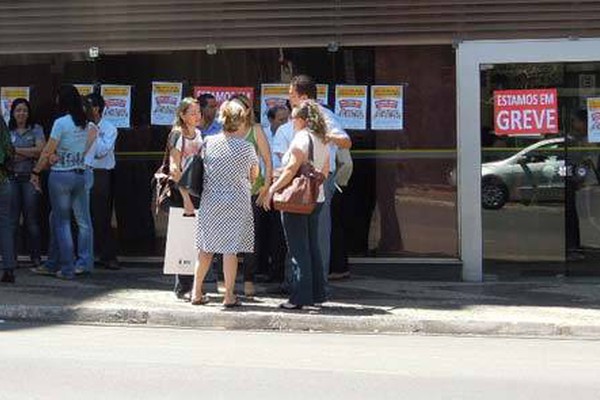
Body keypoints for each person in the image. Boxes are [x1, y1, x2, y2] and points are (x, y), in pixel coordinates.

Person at [274, 75, 352, 287]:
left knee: (317, 233)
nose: (289, 99)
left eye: (292, 95)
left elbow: (345, 141)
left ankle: (316, 283)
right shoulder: (291, 122)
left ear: (305, 97)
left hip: (318, 180)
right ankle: (294, 282)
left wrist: (327, 136)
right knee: (295, 233)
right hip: (296, 179)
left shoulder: (324, 116)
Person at [191, 99, 259, 307]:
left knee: (205, 248)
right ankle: (228, 295)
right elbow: (254, 175)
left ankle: (196, 292)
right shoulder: (247, 148)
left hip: (211, 200)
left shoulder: (208, 142)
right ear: (240, 122)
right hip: (237, 201)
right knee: (230, 250)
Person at [264, 100, 330, 309]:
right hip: (316, 198)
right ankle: (317, 294)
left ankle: (300, 297)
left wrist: (272, 190)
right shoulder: (322, 139)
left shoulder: (301, 138)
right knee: (312, 247)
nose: (291, 121)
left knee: (298, 249)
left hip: (297, 201)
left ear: (301, 120)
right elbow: (326, 171)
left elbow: (290, 170)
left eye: (293, 118)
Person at [31, 84, 95, 279]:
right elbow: (83, 149)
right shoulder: (85, 123)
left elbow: (48, 151)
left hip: (61, 176)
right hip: (80, 174)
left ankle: (66, 268)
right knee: (78, 220)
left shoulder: (61, 123)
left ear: (62, 100)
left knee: (62, 223)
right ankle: (66, 263)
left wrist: (36, 171)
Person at [228, 94, 273, 297]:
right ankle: (225, 280)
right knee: (227, 237)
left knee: (251, 239)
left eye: (240, 108)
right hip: (228, 191)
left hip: (253, 190)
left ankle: (248, 280)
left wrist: (267, 187)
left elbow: (268, 159)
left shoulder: (255, 130)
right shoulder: (225, 131)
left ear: (247, 110)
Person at [168, 97, 203, 300]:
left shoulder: (197, 134)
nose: (197, 116)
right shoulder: (177, 134)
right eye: (192, 112)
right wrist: (186, 198)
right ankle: (183, 286)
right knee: (183, 239)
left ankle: (192, 284)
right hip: (181, 194)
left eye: (198, 112)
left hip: (194, 191)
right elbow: (175, 169)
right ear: (182, 115)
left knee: (194, 240)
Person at [7, 98, 45, 269]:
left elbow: (41, 151)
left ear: (29, 113)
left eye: (24, 110)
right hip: (12, 178)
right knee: (12, 220)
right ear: (13, 113)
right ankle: (11, 257)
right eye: (18, 110)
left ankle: (36, 257)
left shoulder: (36, 129)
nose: (21, 113)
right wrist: (29, 153)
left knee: (32, 220)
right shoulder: (7, 131)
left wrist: (16, 151)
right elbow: (5, 155)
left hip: (31, 178)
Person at [83, 93, 119, 270]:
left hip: (101, 173)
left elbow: (102, 151)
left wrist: (93, 133)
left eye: (88, 106)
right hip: (84, 171)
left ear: (97, 108)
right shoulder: (81, 126)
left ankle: (107, 255)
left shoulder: (109, 128)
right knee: (84, 215)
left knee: (101, 215)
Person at [0, 112, 16, 283]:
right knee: (4, 225)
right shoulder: (3, 128)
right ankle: (9, 269)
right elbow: (11, 152)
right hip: (3, 180)